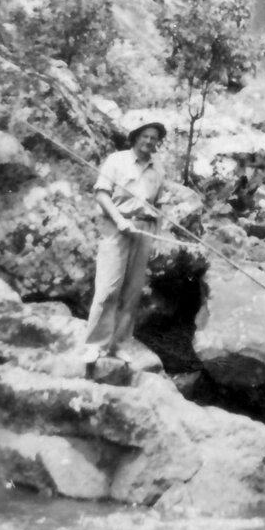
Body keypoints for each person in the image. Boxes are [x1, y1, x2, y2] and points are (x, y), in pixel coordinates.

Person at [82, 112, 167, 369]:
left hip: (143, 230)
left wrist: (158, 237)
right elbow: (101, 194)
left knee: (131, 293)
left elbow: (160, 205)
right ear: (135, 137)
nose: (149, 142)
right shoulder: (116, 160)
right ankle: (94, 345)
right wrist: (120, 221)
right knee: (108, 288)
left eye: (154, 138)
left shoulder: (159, 168)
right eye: (145, 136)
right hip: (116, 227)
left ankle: (118, 345)